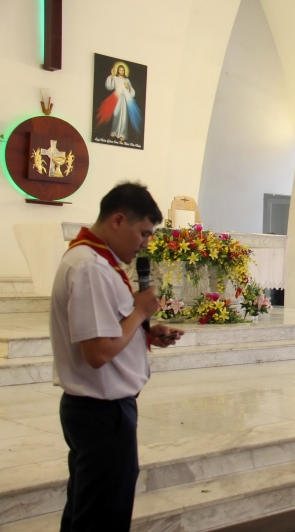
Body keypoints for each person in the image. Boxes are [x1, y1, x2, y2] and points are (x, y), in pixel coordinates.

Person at [50, 182, 184, 531]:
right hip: (102, 413)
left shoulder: (96, 262)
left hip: (97, 411)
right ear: (118, 220)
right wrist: (140, 312)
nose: (145, 244)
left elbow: (108, 332)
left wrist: (145, 333)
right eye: (144, 233)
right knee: (102, 519)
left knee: (88, 511)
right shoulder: (91, 267)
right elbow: (97, 352)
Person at [95, 63, 143, 143]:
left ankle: (122, 134)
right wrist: (112, 76)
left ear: (124, 71)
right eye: (120, 70)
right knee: (116, 113)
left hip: (124, 98)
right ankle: (114, 131)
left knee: (123, 116)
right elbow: (109, 87)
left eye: (123, 70)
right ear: (118, 71)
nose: (122, 71)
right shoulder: (115, 78)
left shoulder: (127, 80)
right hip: (116, 97)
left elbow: (132, 92)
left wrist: (128, 87)